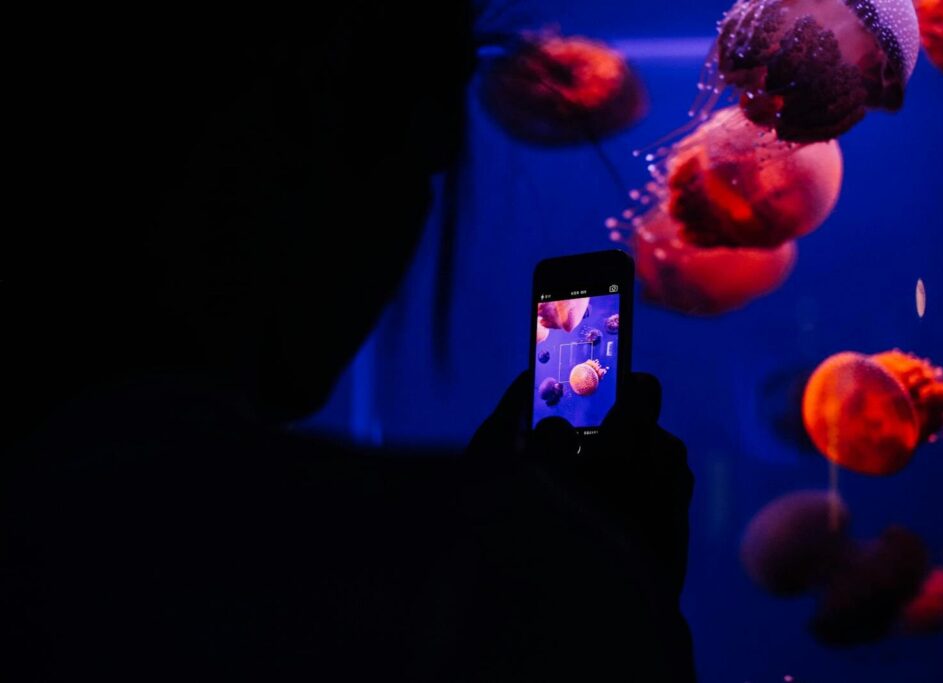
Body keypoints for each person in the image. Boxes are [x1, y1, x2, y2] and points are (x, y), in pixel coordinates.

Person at [2, 6, 695, 681]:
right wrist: (591, 565)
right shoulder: (476, 578)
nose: (417, 218)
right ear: (293, 137)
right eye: (423, 162)